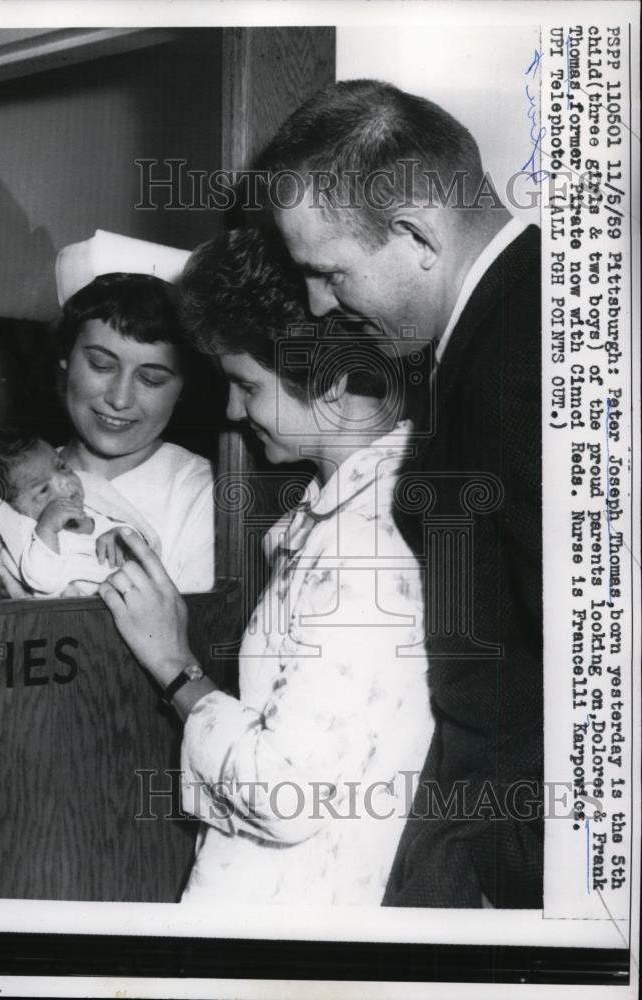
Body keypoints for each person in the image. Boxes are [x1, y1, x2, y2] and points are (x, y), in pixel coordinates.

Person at [256, 79, 543, 908]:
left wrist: (523, 870)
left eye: (329, 272)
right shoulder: (522, 312)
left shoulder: (512, 359)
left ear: (417, 232)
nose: (319, 303)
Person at [99, 227, 433, 905]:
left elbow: (283, 794)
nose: (230, 410)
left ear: (333, 386)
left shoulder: (362, 547)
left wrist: (174, 668)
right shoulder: (360, 512)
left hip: (292, 908)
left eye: (244, 385)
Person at [53, 271, 215, 594]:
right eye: (101, 365)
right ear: (65, 361)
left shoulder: (204, 493)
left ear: (182, 390)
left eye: (152, 379)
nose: (119, 399)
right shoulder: (11, 473)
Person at [0, 431, 160, 598]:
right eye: (42, 490)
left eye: (62, 467)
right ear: (10, 510)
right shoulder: (30, 540)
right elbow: (45, 581)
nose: (65, 482)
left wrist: (121, 535)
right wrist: (47, 530)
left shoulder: (94, 513)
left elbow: (144, 550)